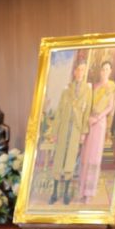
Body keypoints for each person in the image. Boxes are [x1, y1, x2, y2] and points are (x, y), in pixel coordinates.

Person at [47, 60, 92, 205]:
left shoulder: (87, 91)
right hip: (64, 128)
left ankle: (66, 193)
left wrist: (83, 132)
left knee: (70, 161)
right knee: (59, 159)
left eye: (83, 70)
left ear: (85, 72)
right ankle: (54, 193)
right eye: (78, 69)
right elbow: (59, 111)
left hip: (76, 130)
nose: (80, 72)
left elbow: (87, 112)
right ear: (74, 72)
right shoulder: (66, 90)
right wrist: (55, 131)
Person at [77, 61, 115, 203]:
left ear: (110, 71)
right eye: (103, 69)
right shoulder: (94, 86)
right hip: (89, 122)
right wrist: (88, 118)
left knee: (94, 158)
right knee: (85, 156)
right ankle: (82, 189)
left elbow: (110, 107)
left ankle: (89, 192)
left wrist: (97, 118)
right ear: (100, 71)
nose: (105, 71)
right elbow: (88, 104)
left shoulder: (111, 87)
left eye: (107, 69)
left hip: (99, 123)